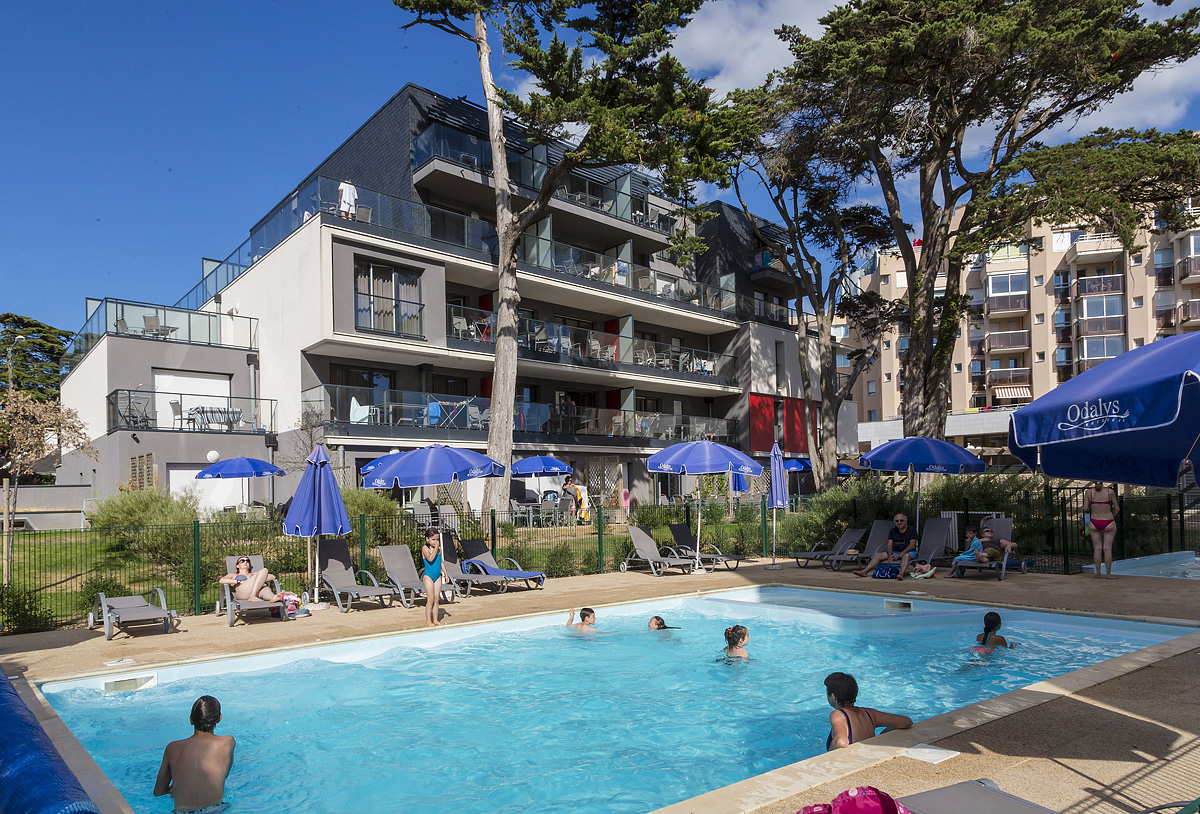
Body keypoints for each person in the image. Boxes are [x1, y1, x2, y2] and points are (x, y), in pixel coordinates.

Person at [153, 696, 235, 814]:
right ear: (219, 719)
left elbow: (158, 792)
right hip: (214, 809)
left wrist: (177, 787)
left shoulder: (172, 748)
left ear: (191, 720)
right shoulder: (228, 742)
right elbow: (224, 775)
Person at [824, 672, 912, 751]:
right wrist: (882, 735)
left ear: (833, 696)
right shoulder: (870, 714)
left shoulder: (838, 715)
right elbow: (906, 722)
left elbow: (841, 742)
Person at [854, 514, 919, 578]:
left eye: (901, 520)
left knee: (906, 556)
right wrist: (890, 556)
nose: (899, 522)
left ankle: (901, 573)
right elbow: (889, 544)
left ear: (906, 521)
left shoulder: (912, 530)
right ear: (895, 522)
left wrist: (900, 554)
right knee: (878, 555)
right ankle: (865, 571)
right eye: (897, 521)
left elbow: (912, 545)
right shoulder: (892, 531)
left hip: (908, 552)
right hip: (894, 552)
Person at [1086, 481, 1119, 579]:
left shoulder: (1089, 492)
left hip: (1094, 522)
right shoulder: (1110, 492)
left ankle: (1098, 573)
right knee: (1107, 549)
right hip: (1108, 521)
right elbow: (1117, 508)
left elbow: (1085, 508)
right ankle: (1108, 574)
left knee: (1097, 548)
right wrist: (1112, 516)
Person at [421, 528, 444, 627]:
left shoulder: (439, 550)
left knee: (436, 599)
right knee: (430, 599)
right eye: (433, 539)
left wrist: (446, 574)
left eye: (437, 539)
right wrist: (436, 548)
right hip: (428, 576)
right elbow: (430, 559)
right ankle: (428, 621)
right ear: (427, 539)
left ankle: (435, 620)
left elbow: (441, 562)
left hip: (437, 576)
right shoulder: (425, 548)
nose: (436, 542)